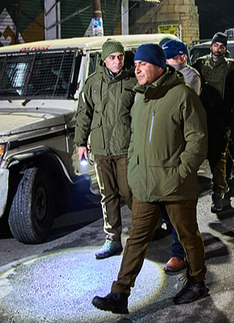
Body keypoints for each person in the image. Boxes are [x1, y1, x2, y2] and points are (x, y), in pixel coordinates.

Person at [92, 44, 209, 314]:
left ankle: (197, 281)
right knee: (135, 240)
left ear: (159, 66)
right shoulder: (141, 98)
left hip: (175, 186)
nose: (137, 68)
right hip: (145, 185)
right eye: (136, 65)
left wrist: (181, 173)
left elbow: (198, 139)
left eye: (143, 64)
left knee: (188, 236)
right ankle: (119, 293)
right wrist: (134, 170)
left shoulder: (182, 95)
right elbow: (134, 139)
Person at [74, 39, 136, 260]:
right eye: (112, 57)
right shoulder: (92, 83)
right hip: (101, 148)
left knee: (130, 192)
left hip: (124, 147)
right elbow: (84, 114)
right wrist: (81, 143)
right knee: (107, 194)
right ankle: (113, 239)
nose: (117, 61)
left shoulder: (132, 81)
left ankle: (143, 233)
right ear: (104, 59)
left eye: (120, 57)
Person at [158, 39, 204, 273]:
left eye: (169, 58)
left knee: (180, 203)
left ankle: (180, 253)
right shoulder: (159, 77)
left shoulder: (189, 76)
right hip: (160, 150)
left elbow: (179, 105)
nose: (166, 63)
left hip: (180, 149)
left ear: (182, 57)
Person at [193, 32, 234, 213]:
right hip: (200, 119)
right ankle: (228, 168)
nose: (218, 49)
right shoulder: (199, 64)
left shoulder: (231, 68)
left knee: (218, 156)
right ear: (211, 46)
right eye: (216, 45)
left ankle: (218, 193)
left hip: (221, 119)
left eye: (222, 46)